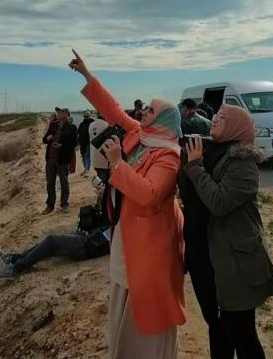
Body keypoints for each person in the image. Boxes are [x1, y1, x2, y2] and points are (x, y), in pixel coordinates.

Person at [69, 50, 185, 359]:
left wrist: (119, 163)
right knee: (124, 295)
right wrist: (87, 75)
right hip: (127, 233)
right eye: (145, 108)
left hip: (149, 244)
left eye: (150, 109)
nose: (144, 111)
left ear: (162, 120)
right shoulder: (139, 134)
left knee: (146, 306)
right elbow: (113, 109)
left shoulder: (168, 156)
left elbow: (149, 193)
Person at [181, 104, 273, 359]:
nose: (215, 119)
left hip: (237, 260)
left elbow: (219, 203)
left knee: (241, 333)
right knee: (219, 327)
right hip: (214, 256)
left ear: (237, 127)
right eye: (215, 115)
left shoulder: (243, 163)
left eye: (223, 118)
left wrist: (194, 167)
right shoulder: (218, 153)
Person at [0, 192, 110, 279]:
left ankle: (15, 269)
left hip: (88, 246)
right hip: (88, 238)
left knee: (52, 241)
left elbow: (106, 240)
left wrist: (90, 235)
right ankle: (13, 259)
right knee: (50, 241)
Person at [41, 107, 78, 214]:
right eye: (58, 112)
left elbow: (74, 143)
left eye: (60, 112)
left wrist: (62, 145)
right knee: (50, 183)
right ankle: (50, 205)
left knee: (64, 183)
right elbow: (44, 140)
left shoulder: (72, 128)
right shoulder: (53, 125)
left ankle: (64, 204)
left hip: (62, 160)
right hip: (50, 159)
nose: (58, 113)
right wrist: (48, 139)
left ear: (66, 115)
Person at [89, 117, 112, 186]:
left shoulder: (91, 125)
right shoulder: (107, 125)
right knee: (105, 180)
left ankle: (99, 190)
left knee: (99, 176)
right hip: (104, 157)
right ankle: (101, 194)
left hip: (94, 155)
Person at [78, 111, 95, 176]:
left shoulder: (92, 123)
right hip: (83, 143)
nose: (85, 117)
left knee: (86, 156)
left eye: (86, 116)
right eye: (85, 116)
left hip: (88, 143)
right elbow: (79, 133)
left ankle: (87, 170)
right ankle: (86, 169)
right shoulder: (82, 124)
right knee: (84, 156)